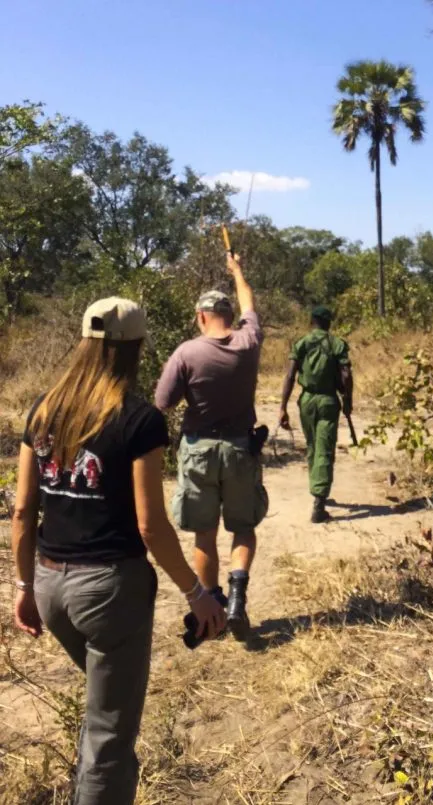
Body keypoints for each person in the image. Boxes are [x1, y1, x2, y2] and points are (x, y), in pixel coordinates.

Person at [11, 297, 225, 805]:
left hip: (49, 584)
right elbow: (150, 525)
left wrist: (23, 587)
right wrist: (197, 593)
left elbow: (23, 511)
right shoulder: (139, 419)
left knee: (103, 712)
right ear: (136, 348)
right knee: (111, 734)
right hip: (108, 590)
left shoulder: (42, 409)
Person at [155, 252, 266, 642]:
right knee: (243, 527)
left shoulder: (187, 352)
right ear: (229, 314)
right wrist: (237, 269)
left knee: (204, 533)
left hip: (199, 449)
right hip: (240, 449)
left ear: (201, 316)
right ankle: (237, 595)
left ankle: (212, 611)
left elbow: (163, 402)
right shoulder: (249, 340)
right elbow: (250, 302)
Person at [279, 305, 353, 523]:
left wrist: (282, 407)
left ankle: (317, 489)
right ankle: (319, 502)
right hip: (328, 401)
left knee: (313, 445)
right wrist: (347, 399)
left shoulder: (302, 343)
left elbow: (290, 376)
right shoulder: (336, 344)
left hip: (307, 401)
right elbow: (346, 375)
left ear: (312, 322)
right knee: (324, 448)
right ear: (329, 323)